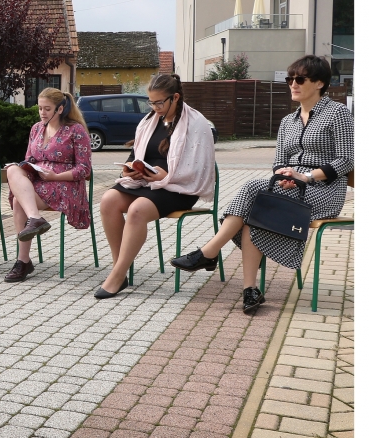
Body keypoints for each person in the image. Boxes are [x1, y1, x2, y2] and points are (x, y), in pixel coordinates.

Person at [172, 55, 353, 314]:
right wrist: (286, 176)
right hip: (288, 186)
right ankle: (250, 289)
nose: (293, 84)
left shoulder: (337, 113)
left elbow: (347, 159)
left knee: (252, 190)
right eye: (290, 79)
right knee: (253, 213)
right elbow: (279, 162)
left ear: (320, 83)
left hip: (324, 191)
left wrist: (306, 177)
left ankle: (209, 253)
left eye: (300, 79)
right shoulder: (288, 121)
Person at [96, 74, 215, 299]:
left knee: (137, 210)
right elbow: (136, 154)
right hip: (146, 182)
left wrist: (168, 176)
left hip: (178, 188)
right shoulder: (149, 121)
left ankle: (117, 275)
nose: (155, 108)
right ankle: (119, 268)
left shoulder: (196, 122)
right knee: (108, 200)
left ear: (175, 97)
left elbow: (199, 167)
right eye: (151, 103)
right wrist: (129, 170)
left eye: (159, 103)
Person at [3, 88, 92, 283]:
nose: (42, 113)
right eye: (39, 108)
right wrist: (27, 167)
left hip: (65, 184)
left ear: (60, 109)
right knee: (12, 170)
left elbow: (85, 169)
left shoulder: (76, 130)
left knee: (18, 201)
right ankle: (34, 220)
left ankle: (23, 261)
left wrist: (55, 175)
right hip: (39, 181)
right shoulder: (36, 128)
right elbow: (29, 158)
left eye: (47, 109)